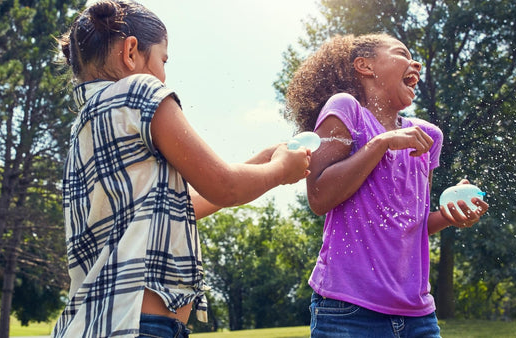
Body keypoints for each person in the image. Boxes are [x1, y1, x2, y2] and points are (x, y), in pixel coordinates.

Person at [52, 1, 311, 337]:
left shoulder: (84, 126)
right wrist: (280, 171)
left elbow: (178, 205)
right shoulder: (140, 91)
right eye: (163, 59)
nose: (163, 73)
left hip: (94, 323)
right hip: (141, 326)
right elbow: (225, 186)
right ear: (131, 52)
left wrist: (261, 162)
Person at [285, 33, 489, 337]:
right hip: (348, 311)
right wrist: (380, 143)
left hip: (419, 315)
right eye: (401, 53)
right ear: (365, 66)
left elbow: (412, 223)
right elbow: (318, 196)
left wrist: (449, 215)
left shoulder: (427, 135)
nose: (415, 63)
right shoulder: (347, 109)